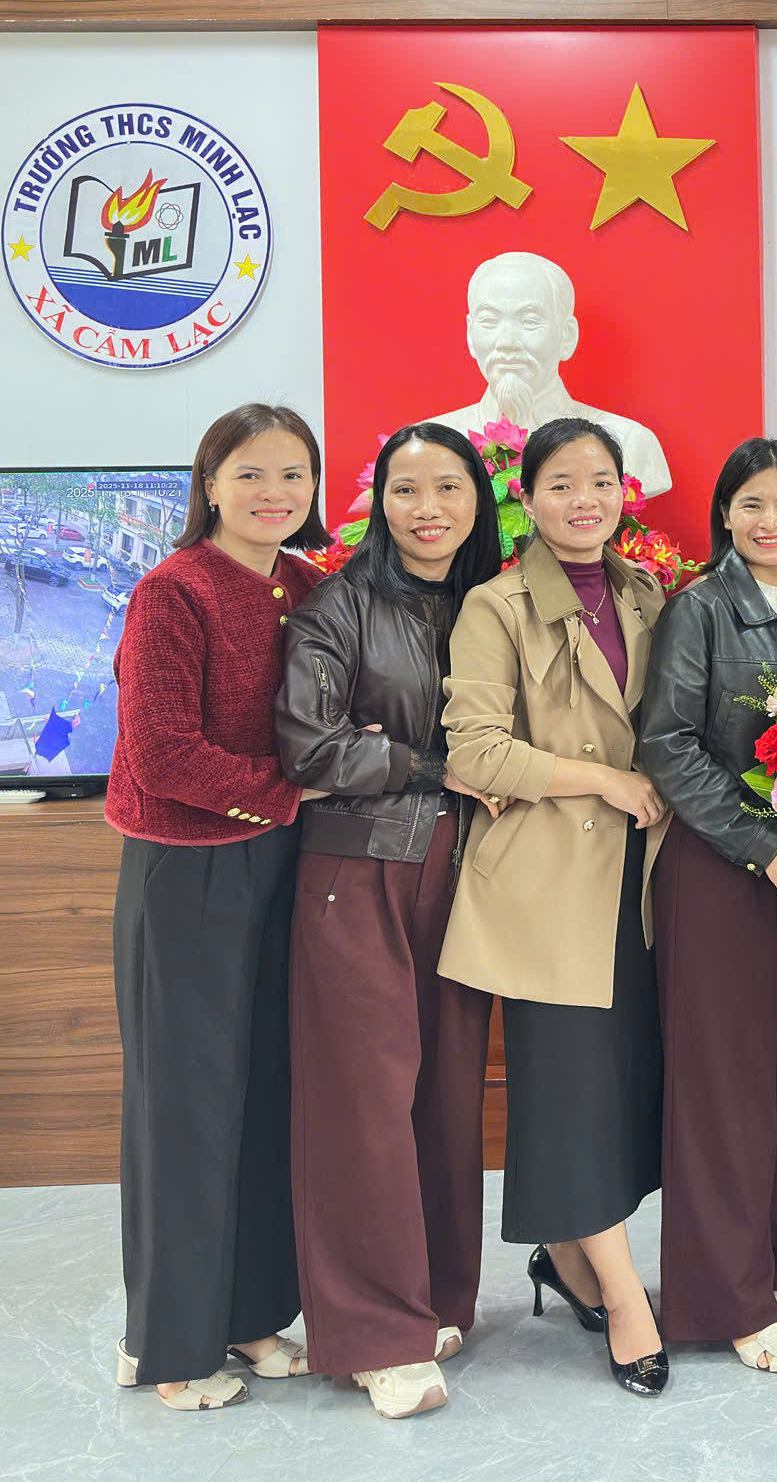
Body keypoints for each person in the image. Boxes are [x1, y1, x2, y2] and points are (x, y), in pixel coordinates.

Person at [105, 402, 333, 1411]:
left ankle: (249, 1316)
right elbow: (160, 755)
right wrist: (286, 794)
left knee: (265, 1098)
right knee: (186, 1109)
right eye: (250, 474)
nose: (273, 493)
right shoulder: (173, 590)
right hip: (188, 871)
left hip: (281, 865)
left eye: (292, 474)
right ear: (209, 485)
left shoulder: (307, 584)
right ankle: (170, 1346)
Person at [439, 418, 672, 1399]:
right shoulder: (495, 606)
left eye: (602, 481)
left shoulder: (646, 592)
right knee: (570, 1093)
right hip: (545, 886)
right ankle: (624, 1299)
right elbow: (472, 749)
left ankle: (567, 1256)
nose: (586, 500)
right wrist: (602, 780)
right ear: (526, 498)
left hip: (639, 882)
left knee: (616, 1090)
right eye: (563, 484)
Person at [274, 424, 504, 1419]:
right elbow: (310, 747)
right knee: (362, 1102)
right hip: (358, 868)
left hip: (468, 872)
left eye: (448, 487)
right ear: (378, 503)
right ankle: (373, 1333)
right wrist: (428, 765)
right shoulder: (340, 606)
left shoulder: (490, 600)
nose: (428, 509)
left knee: (448, 1092)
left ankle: (439, 1296)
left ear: (478, 498)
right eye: (406, 490)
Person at [637, 439, 777, 1376]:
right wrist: (764, 845)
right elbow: (669, 745)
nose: (770, 521)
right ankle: (726, 1299)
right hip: (722, 867)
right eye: (752, 504)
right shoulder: (700, 608)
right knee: (722, 1086)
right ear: (724, 514)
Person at [424, 250, 671, 498]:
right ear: (470, 335)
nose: (506, 342)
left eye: (530, 321)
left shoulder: (629, 442)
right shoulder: (429, 444)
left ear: (567, 336)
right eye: (489, 320)